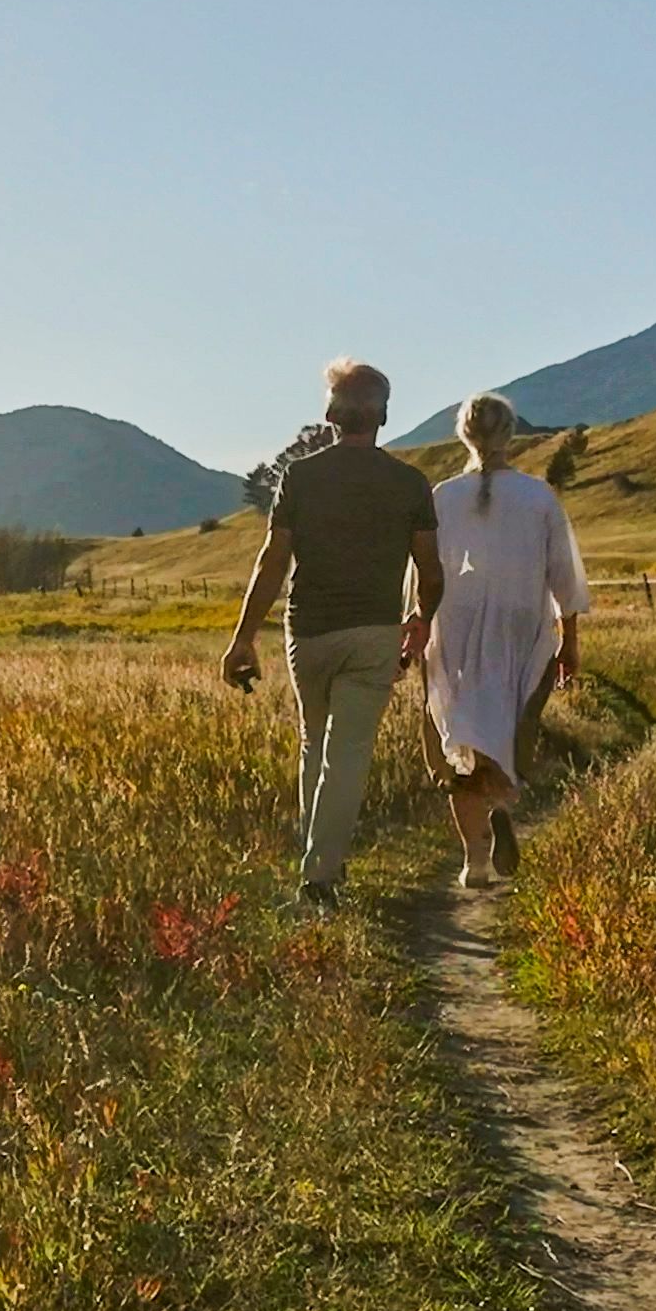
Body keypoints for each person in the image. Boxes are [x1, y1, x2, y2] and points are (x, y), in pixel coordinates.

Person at [220, 359, 439, 908]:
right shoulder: (410, 483)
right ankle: (321, 875)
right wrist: (421, 619)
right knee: (348, 752)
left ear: (329, 414)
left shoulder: (301, 477)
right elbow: (430, 569)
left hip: (309, 632)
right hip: (375, 633)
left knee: (313, 745)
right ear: (383, 416)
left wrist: (244, 637)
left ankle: (316, 865)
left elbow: (273, 560)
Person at [415, 394, 588, 891]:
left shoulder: (441, 496)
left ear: (463, 436)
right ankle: (501, 803)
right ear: (510, 435)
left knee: (462, 736)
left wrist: (417, 627)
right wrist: (569, 639)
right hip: (520, 625)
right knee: (512, 728)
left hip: (456, 625)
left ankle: (474, 861)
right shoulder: (539, 498)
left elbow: (422, 573)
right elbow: (564, 576)